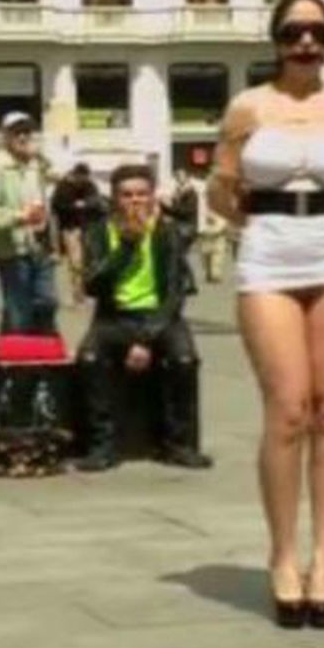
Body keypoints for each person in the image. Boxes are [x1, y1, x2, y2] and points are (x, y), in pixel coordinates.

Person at [206, 0, 324, 630]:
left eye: (316, 31)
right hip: (271, 252)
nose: (306, 41)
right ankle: (283, 556)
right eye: (293, 31)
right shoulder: (248, 107)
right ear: (275, 39)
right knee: (287, 410)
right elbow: (221, 192)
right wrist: (246, 211)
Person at [75, 164, 213, 472]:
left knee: (183, 360)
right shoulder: (98, 232)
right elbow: (92, 285)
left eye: (141, 194)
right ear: (114, 199)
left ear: (153, 197)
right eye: (126, 195)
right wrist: (126, 245)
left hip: (160, 317)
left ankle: (180, 444)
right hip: (114, 316)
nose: (135, 201)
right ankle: (102, 444)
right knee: (89, 358)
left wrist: (146, 338)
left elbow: (175, 292)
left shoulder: (168, 232)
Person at [0, 111, 58, 335]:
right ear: (6, 136)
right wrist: (19, 216)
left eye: (27, 132)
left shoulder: (35, 164)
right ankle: (16, 350)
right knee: (18, 308)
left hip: (41, 244)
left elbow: (54, 177)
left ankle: (40, 346)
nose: (23, 137)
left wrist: (40, 157)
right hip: (13, 249)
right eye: (17, 133)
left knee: (47, 301)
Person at [51, 162, 104, 306]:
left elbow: (96, 201)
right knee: (76, 262)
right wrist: (75, 205)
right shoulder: (63, 187)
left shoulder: (89, 185)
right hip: (70, 228)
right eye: (82, 179)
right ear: (76, 175)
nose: (83, 182)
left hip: (88, 228)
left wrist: (84, 204)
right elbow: (57, 206)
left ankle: (85, 292)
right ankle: (78, 294)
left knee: (89, 261)